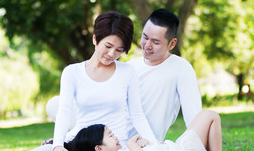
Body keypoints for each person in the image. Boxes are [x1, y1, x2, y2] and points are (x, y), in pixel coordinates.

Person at [0, 11, 158, 151]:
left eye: (119, 50)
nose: (112, 55)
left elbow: (137, 114)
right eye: (108, 46)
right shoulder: (72, 72)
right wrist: (57, 146)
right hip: (76, 142)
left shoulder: (127, 73)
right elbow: (65, 112)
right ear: (95, 39)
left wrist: (155, 143)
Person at [46, 8, 202, 142]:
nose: (147, 45)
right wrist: (63, 142)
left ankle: (75, 141)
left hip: (138, 141)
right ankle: (72, 139)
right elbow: (103, 109)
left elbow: (194, 118)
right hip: (106, 133)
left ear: (172, 44)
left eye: (155, 42)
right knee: (56, 104)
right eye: (145, 37)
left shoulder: (181, 68)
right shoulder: (130, 66)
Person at [66, 110, 247, 151]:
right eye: (111, 135)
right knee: (210, 116)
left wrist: (147, 144)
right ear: (99, 148)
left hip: (176, 150)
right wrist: (133, 144)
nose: (116, 137)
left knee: (208, 117)